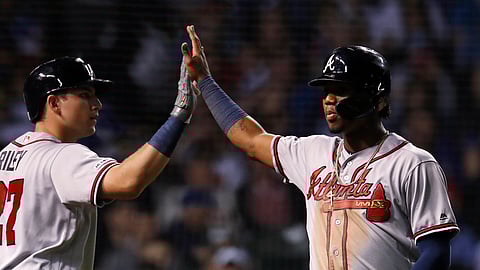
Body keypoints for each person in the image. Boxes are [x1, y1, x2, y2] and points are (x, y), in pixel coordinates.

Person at [182, 25, 460, 269]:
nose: (329, 99)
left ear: (378, 101)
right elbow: (251, 141)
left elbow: (436, 251)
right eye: (326, 90)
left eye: (341, 89)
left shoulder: (413, 163)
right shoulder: (313, 152)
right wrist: (205, 81)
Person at [0, 55, 198, 269]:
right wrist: (180, 114)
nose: (97, 104)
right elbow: (128, 182)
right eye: (85, 95)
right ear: (54, 103)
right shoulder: (61, 155)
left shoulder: (6, 154)